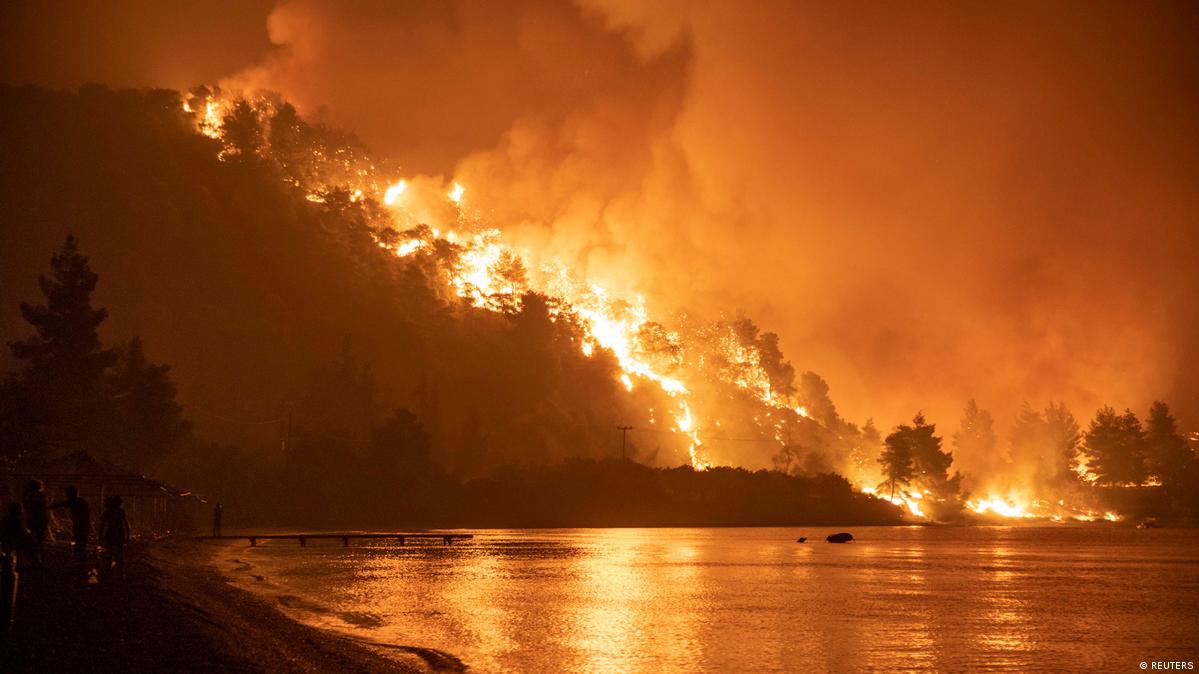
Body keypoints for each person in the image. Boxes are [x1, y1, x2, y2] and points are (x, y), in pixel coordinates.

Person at [51, 486, 91, 564]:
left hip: (80, 525)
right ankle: (81, 562)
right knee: (81, 544)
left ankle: (80, 563)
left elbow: (60, 504)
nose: (66, 495)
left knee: (80, 544)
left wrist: (45, 507)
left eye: (67, 493)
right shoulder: (82, 501)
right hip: (83, 525)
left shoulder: (74, 501)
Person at [22, 480, 52, 566]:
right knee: (40, 538)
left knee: (33, 538)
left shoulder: (30, 496)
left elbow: (26, 506)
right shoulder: (42, 495)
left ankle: (35, 557)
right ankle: (40, 557)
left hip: (34, 518)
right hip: (41, 518)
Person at [99, 496, 130, 576]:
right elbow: (126, 524)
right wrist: (128, 535)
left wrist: (101, 535)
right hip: (119, 534)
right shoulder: (120, 511)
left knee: (109, 553)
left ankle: (108, 571)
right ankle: (119, 571)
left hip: (111, 535)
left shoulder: (109, 512)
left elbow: (103, 524)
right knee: (119, 554)